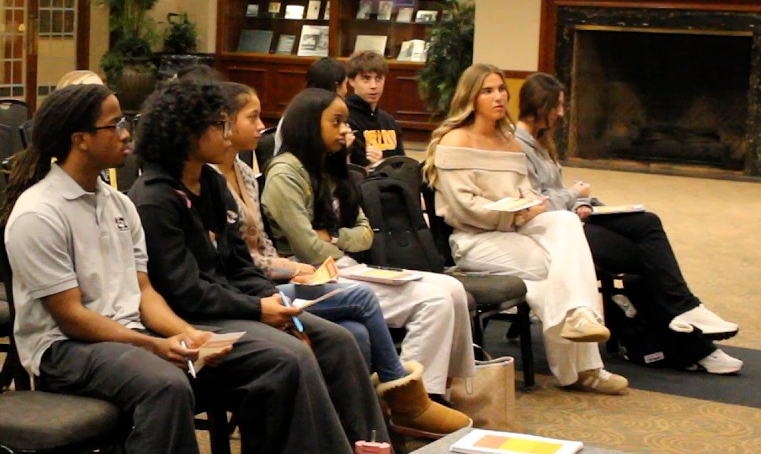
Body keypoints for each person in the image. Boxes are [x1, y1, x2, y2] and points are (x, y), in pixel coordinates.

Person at [2, 84, 362, 454]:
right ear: (80, 139)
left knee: (278, 359)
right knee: (165, 382)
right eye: (114, 125)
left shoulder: (117, 204)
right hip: (65, 350)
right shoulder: (39, 213)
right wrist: (155, 346)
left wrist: (191, 336)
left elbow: (144, 293)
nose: (126, 134)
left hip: (130, 334)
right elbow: (72, 318)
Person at [130, 78, 464, 442]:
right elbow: (187, 291)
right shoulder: (157, 199)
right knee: (308, 344)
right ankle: (374, 427)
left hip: (245, 298)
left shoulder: (211, 183)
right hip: (203, 317)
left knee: (346, 337)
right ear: (188, 132)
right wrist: (261, 305)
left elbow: (240, 264)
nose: (229, 134)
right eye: (221, 124)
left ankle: (371, 444)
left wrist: (268, 299)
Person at [260, 87, 476, 406]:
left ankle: (443, 388)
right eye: (336, 122)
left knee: (452, 288)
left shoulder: (331, 169)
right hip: (310, 276)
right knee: (435, 301)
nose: (346, 130)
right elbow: (307, 247)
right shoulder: (285, 172)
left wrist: (333, 237)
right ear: (308, 123)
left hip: (345, 266)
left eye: (346, 122)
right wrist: (337, 241)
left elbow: (365, 233)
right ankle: (408, 401)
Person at [422, 64, 628, 394]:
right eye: (487, 90)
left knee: (565, 221)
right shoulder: (455, 140)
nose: (498, 96)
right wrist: (513, 215)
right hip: (476, 239)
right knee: (561, 268)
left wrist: (530, 204)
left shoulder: (509, 143)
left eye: (501, 88)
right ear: (471, 97)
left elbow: (524, 192)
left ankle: (580, 320)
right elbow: (464, 208)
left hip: (515, 229)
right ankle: (584, 368)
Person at [516, 72, 741, 374]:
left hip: (572, 218)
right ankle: (694, 343)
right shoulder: (517, 147)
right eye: (557, 106)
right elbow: (534, 204)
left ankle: (687, 313)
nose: (561, 113)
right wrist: (575, 195)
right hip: (553, 233)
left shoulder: (541, 143)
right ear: (539, 106)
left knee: (647, 222)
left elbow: (556, 193)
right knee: (646, 257)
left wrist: (582, 201)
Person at [274, 57, 350, 153]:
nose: (346, 91)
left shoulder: (299, 106)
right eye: (345, 84)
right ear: (336, 86)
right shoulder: (307, 115)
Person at [345, 50, 405, 168]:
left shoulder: (388, 121)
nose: (374, 86)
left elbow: (402, 164)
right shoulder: (346, 118)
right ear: (352, 81)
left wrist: (382, 163)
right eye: (366, 79)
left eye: (378, 78)